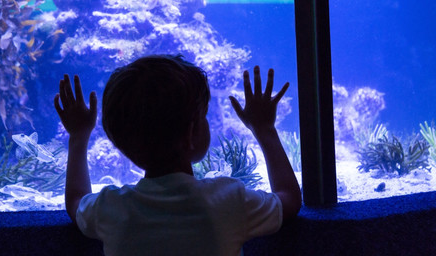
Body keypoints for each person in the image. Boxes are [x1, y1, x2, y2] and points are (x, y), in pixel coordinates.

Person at [54, 55, 301, 256]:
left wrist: (78, 136)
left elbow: (75, 201)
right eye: (204, 115)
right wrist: (264, 129)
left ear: (118, 142)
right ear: (192, 132)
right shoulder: (229, 200)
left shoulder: (110, 208)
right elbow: (289, 198)